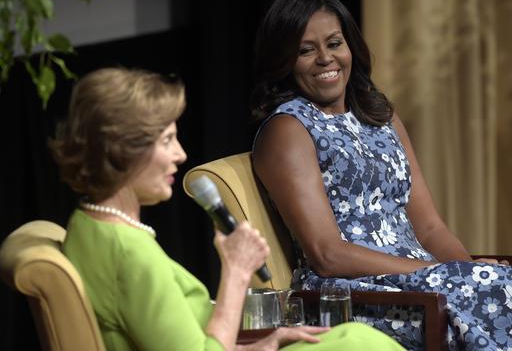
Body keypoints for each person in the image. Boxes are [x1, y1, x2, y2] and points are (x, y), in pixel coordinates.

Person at [49, 67, 404, 351]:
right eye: (167, 141)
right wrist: (236, 271)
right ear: (123, 151)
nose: (181, 155)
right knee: (360, 342)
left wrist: (257, 346)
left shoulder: (86, 223)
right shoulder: (127, 251)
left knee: (350, 339)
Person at [251, 0, 512, 351]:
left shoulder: (379, 116)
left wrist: (465, 272)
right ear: (285, 61)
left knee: (501, 284)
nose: (325, 59)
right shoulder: (288, 129)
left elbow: (431, 227)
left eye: (334, 43)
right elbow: (327, 254)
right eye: (306, 50)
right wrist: (440, 275)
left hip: (421, 283)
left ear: (351, 47)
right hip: (351, 295)